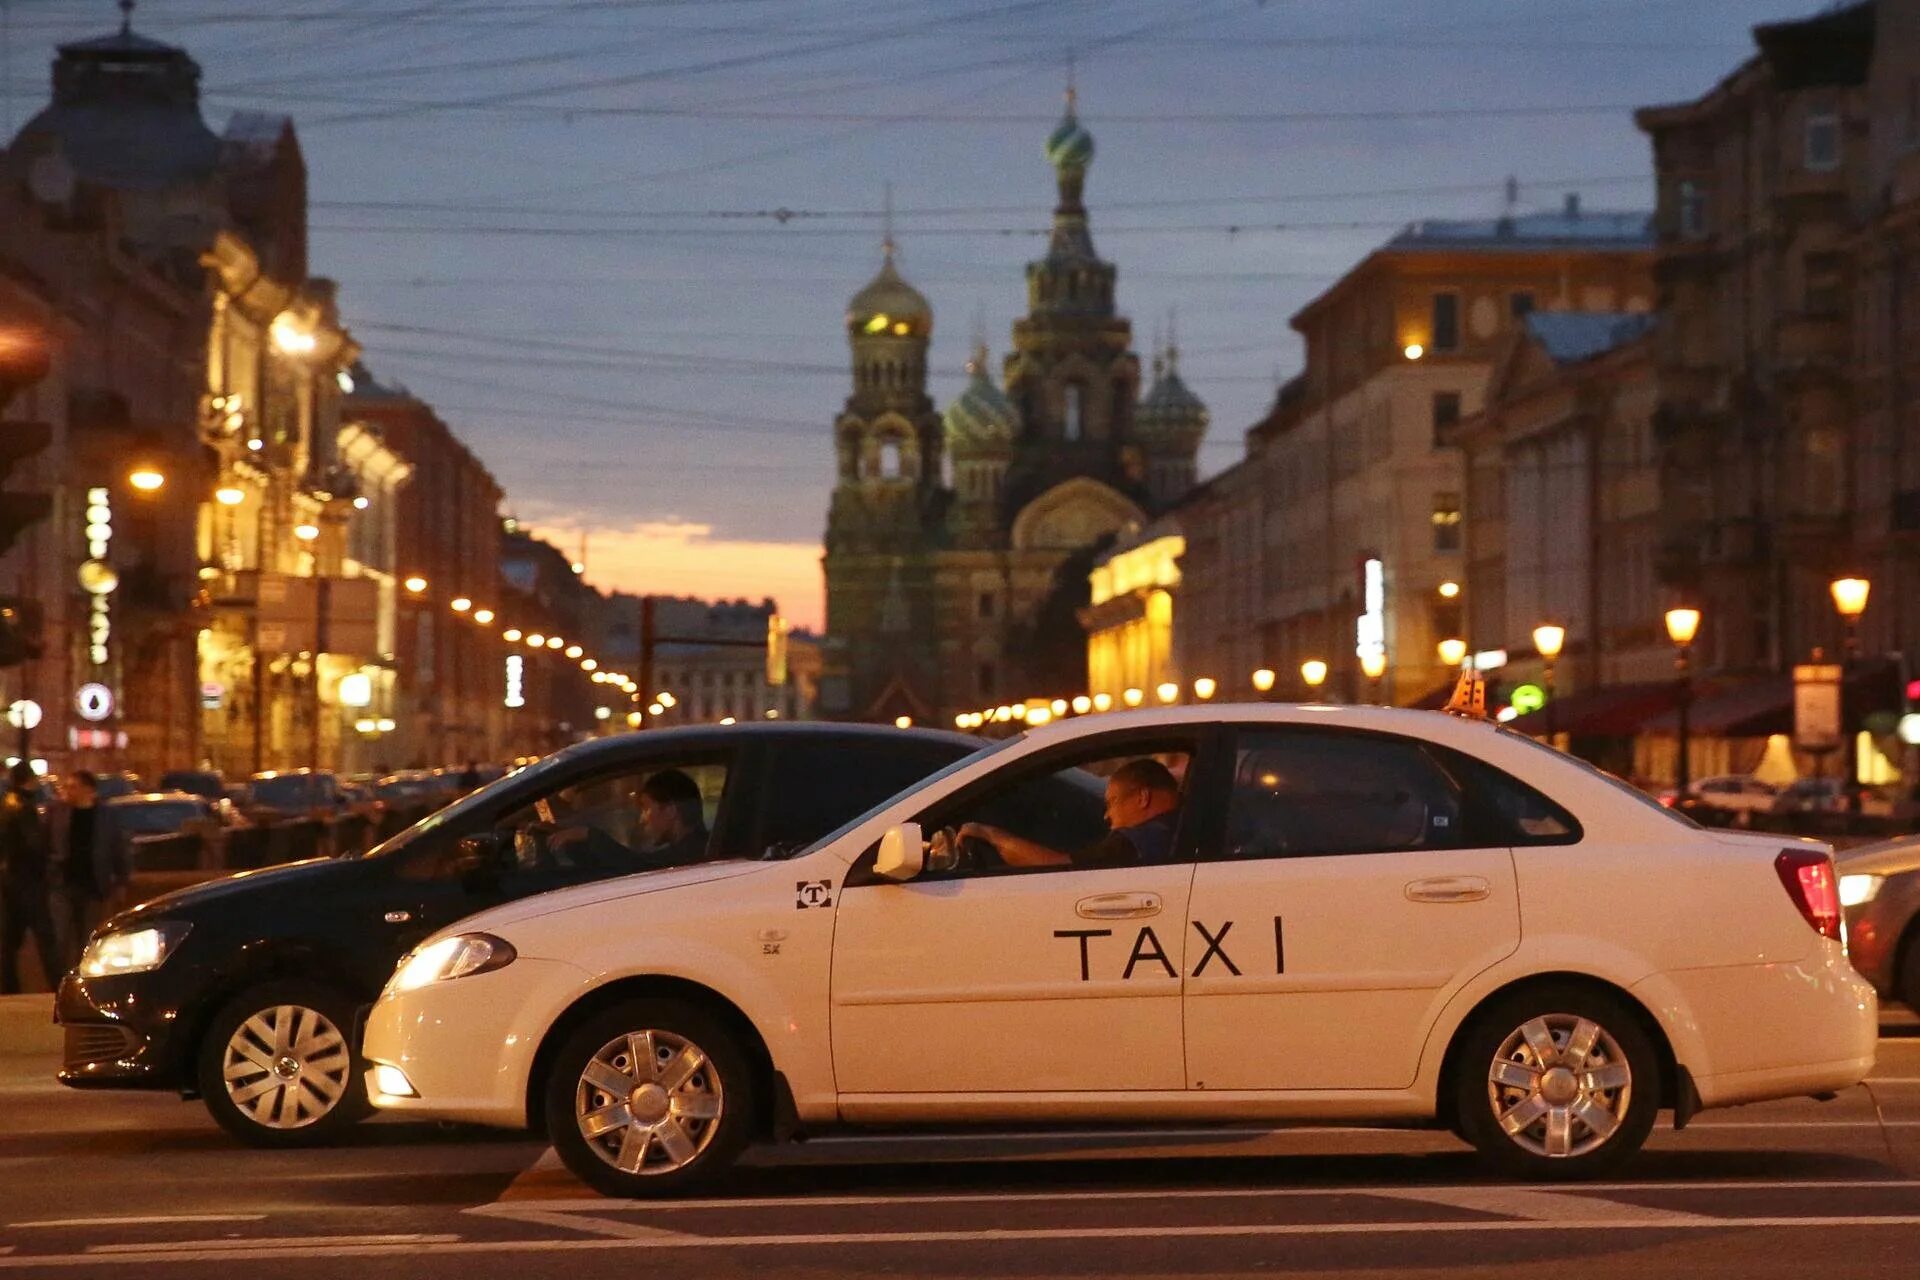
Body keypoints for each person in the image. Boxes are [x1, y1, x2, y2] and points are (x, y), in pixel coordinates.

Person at [959, 757, 1183, 869]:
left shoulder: (1135, 842)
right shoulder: (1181, 828)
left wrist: (989, 835)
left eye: (1112, 803)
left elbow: (1059, 867)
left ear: (1142, 797)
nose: (1107, 815)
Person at [0, 762, 60, 993]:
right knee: (45, 936)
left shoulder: (8, 803)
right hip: (28, 881)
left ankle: (8, 985)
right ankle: (57, 983)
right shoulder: (24, 807)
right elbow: (33, 844)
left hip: (11, 879)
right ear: (29, 780)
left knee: (10, 940)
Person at [51, 771, 111, 968]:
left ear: (88, 789)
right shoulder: (59, 812)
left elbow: (117, 846)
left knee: (89, 938)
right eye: (67, 787)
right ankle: (62, 977)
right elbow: (47, 842)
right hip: (63, 884)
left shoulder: (104, 815)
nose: (68, 791)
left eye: (73, 787)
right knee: (60, 939)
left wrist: (120, 880)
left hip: (93, 885)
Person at [634, 769, 710, 868]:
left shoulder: (663, 864)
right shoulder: (710, 849)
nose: (642, 819)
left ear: (671, 811)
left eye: (646, 808)